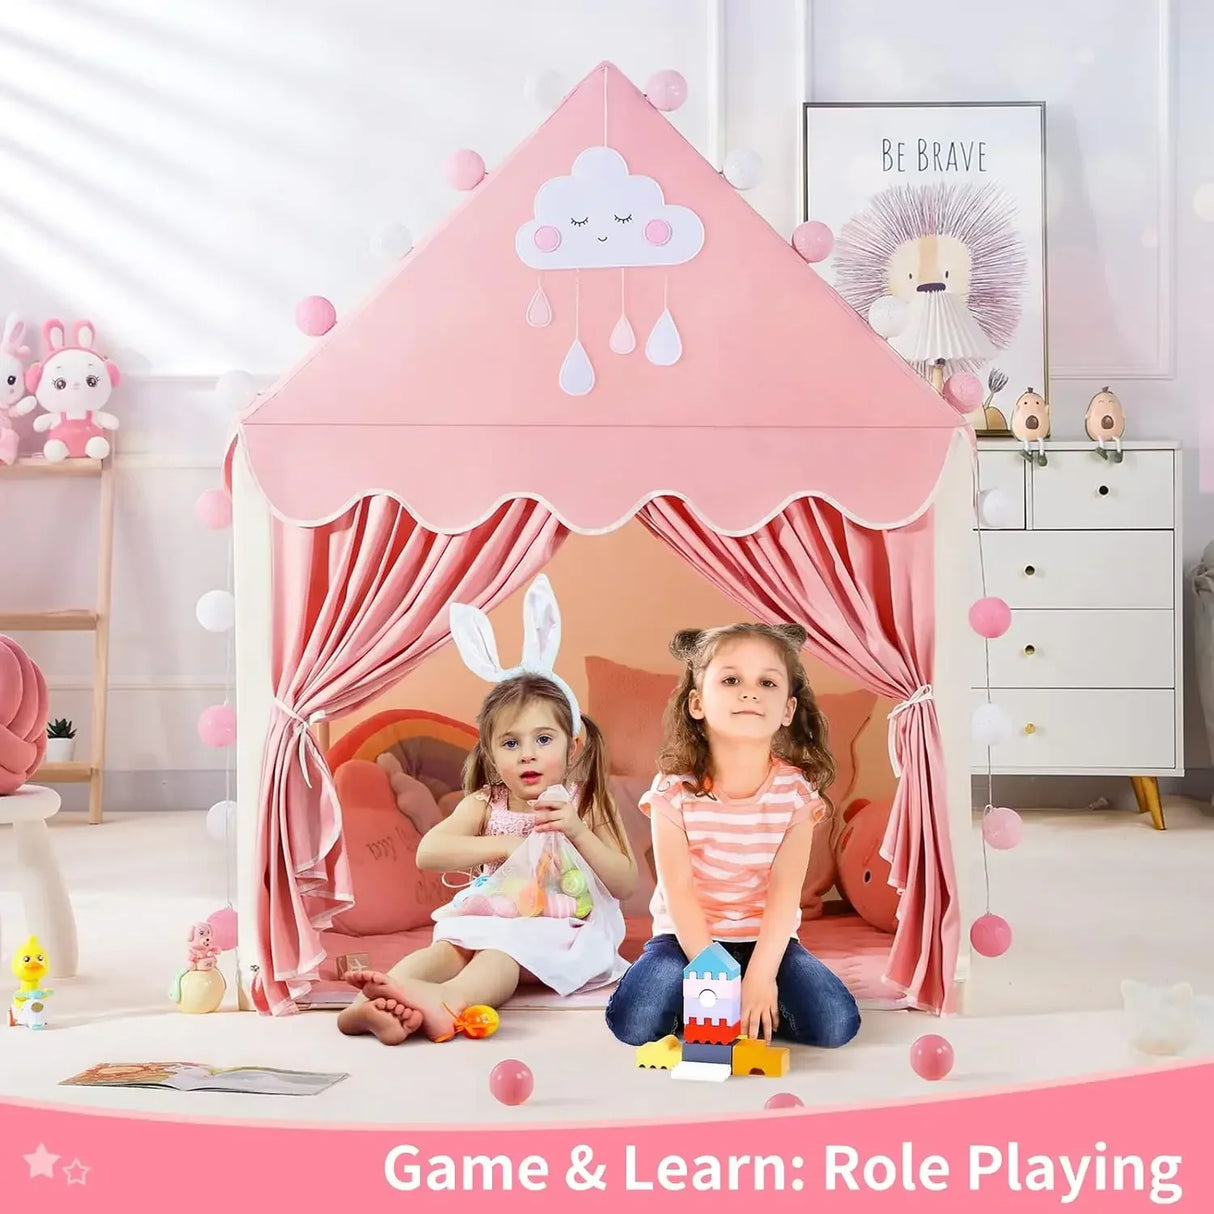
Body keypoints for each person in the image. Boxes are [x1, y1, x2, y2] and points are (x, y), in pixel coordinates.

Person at [339, 577, 637, 1045]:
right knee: (450, 946)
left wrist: (578, 831)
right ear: (492, 755)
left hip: (563, 930)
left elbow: (624, 883)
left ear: (573, 745)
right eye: (511, 743)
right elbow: (429, 852)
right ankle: (375, 1002)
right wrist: (507, 845)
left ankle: (448, 1003)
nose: (528, 754)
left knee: (499, 954)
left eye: (543, 739)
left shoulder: (585, 801)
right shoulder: (487, 802)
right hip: (496, 915)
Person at [605, 622, 861, 1049]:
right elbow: (679, 889)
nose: (749, 693)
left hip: (767, 941)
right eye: (730, 680)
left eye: (767, 682)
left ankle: (754, 1004)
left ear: (787, 710)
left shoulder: (796, 794)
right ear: (697, 703)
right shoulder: (673, 790)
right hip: (685, 941)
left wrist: (760, 975)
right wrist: (714, 973)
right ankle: (714, 1006)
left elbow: (785, 892)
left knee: (837, 1024)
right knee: (635, 1022)